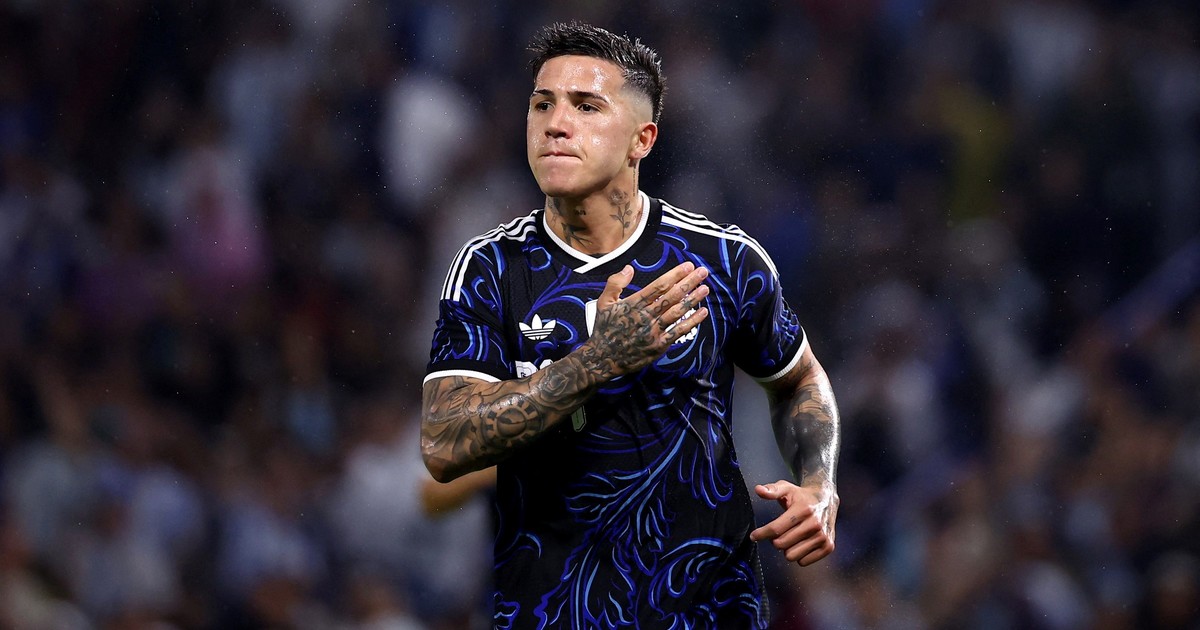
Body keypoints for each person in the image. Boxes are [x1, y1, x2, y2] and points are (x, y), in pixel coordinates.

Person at [421, 21, 840, 629]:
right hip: (553, 612)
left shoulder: (722, 260)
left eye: (586, 106)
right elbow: (442, 444)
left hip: (709, 611)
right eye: (543, 104)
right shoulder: (491, 268)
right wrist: (598, 361)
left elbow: (798, 378)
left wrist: (819, 483)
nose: (555, 124)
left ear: (642, 139)